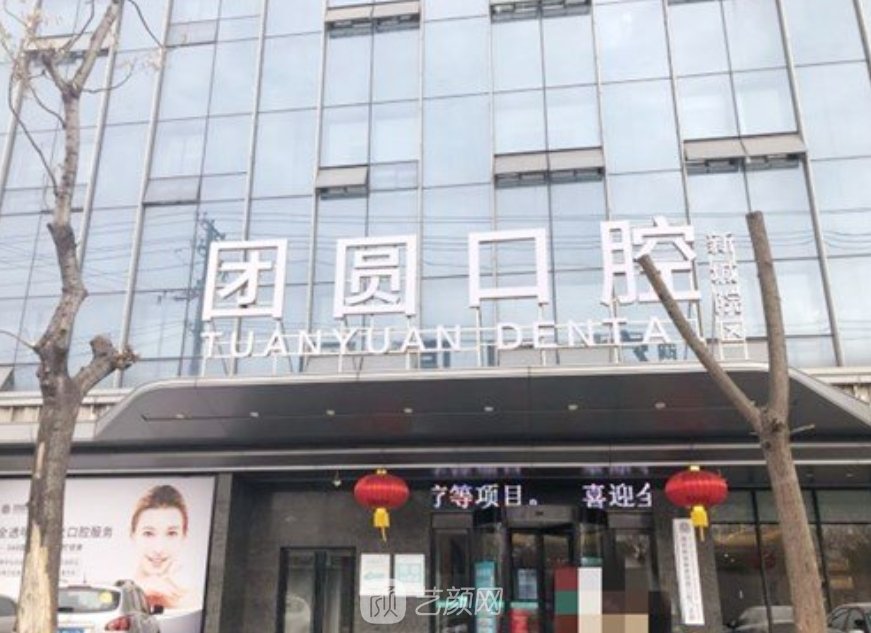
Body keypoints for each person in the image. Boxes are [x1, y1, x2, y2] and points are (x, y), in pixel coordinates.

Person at [130, 484, 197, 610]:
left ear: (183, 537)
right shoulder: (109, 593)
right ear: (133, 534)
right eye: (148, 533)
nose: (159, 549)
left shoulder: (194, 602)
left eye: (171, 533)